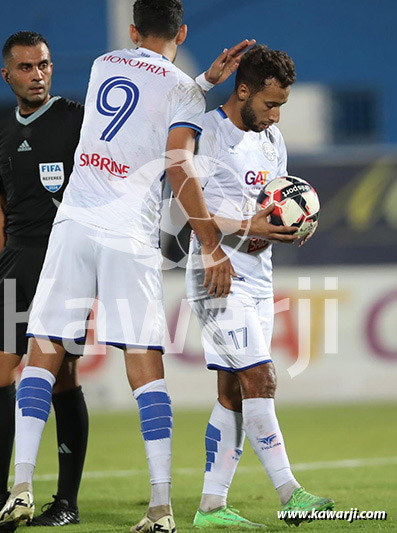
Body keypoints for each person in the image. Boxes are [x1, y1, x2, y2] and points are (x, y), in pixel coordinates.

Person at [0, 1, 254, 532]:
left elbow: (141, 95)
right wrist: (210, 242)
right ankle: (160, 507)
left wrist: (199, 82)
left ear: (133, 30)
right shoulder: (182, 90)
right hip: (128, 232)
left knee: (42, 351)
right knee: (142, 361)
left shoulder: (105, 63)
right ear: (182, 30)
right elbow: (177, 161)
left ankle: (20, 489)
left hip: (75, 223)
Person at [186, 45, 334, 528]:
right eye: (269, 104)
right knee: (261, 377)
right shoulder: (205, 133)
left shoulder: (273, 140)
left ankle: (211, 508)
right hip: (216, 272)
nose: (274, 116)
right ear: (243, 90)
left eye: (281, 107)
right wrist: (251, 227)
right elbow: (190, 211)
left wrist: (291, 225)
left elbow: (272, 204)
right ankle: (291, 494)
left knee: (232, 390)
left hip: (258, 275)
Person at [0, 32, 88, 528]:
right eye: (26, 67)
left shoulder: (77, 118)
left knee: (61, 377)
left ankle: (65, 501)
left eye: (44, 64)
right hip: (13, 265)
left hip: (63, 262)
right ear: (7, 75)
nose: (38, 74)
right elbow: (1, 206)